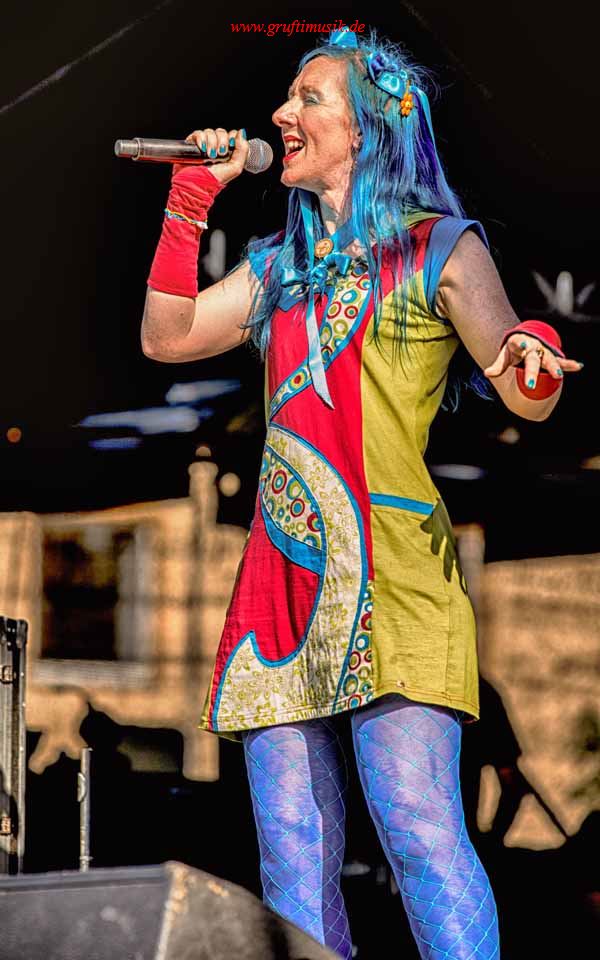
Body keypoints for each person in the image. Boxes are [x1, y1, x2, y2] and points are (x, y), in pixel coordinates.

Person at [141, 26, 582, 960]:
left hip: (395, 572)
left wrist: (533, 354)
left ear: (367, 127)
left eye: (308, 97)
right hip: (283, 576)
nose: (280, 113)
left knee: (418, 829)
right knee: (291, 852)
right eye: (288, 96)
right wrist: (191, 198)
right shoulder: (277, 267)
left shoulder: (439, 247)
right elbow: (168, 338)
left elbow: (524, 391)